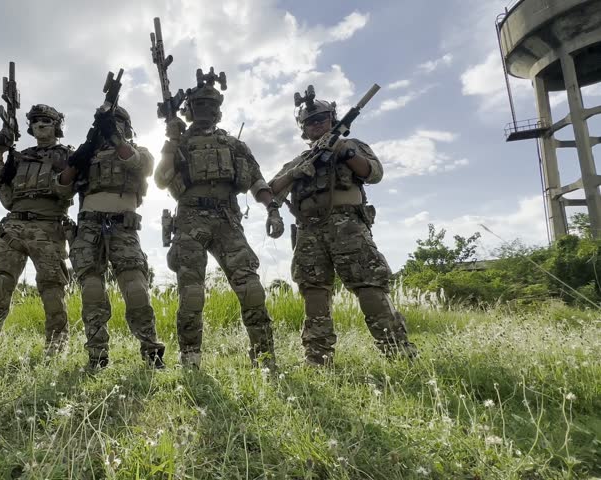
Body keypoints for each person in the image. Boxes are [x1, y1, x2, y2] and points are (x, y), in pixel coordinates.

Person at [268, 89, 418, 366]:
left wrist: (344, 151)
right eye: (310, 122)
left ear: (332, 119)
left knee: (369, 286)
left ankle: (398, 352)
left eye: (322, 118)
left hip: (347, 225)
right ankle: (317, 357)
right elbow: (270, 191)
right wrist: (295, 173)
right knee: (314, 291)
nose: (317, 124)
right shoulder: (298, 160)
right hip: (309, 231)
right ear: (303, 130)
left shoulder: (352, 145)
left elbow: (373, 173)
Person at [153, 68, 282, 369]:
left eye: (212, 106)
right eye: (200, 106)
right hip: (190, 219)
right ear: (189, 110)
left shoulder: (234, 145)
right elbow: (160, 179)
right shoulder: (179, 143)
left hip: (226, 219)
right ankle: (191, 359)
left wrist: (272, 209)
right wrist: (171, 141)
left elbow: (257, 182)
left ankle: (264, 358)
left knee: (250, 288)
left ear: (219, 111)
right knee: (192, 292)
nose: (206, 111)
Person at [56, 106, 165, 369]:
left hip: (123, 229)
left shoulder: (139, 151)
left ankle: (151, 352)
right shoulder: (87, 156)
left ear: (126, 128)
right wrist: (75, 161)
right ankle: (97, 356)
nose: (112, 129)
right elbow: (60, 189)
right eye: (108, 125)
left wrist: (116, 139)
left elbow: (141, 165)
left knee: (136, 290)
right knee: (92, 293)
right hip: (89, 228)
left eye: (117, 124)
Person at [0, 104, 74, 353]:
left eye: (46, 121)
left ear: (57, 126)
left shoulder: (67, 156)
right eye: (35, 121)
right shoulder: (19, 157)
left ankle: (56, 346)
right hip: (14, 226)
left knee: (52, 290)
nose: (40, 125)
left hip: (48, 227)